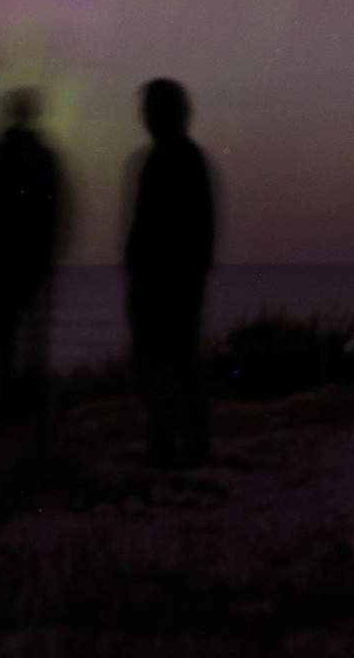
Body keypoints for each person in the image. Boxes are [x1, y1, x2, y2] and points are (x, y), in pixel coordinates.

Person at [122, 78, 217, 468]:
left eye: (148, 108)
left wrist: (148, 270)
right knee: (178, 365)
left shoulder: (171, 159)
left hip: (164, 283)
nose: (142, 116)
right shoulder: (181, 157)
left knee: (167, 366)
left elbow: (166, 225)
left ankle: (172, 448)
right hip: (173, 281)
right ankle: (185, 446)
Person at [0, 87, 72, 417]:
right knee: (34, 340)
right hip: (35, 262)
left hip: (2, 265)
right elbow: (57, 211)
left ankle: (11, 406)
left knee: (7, 340)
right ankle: (33, 407)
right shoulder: (45, 158)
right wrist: (50, 254)